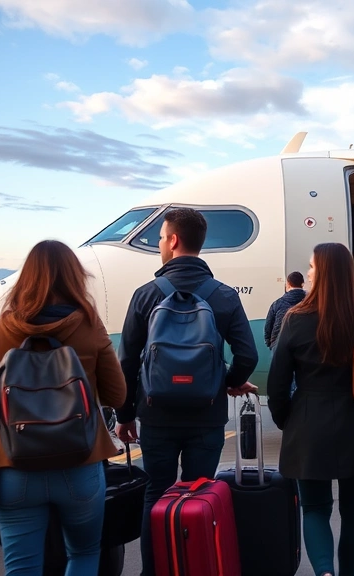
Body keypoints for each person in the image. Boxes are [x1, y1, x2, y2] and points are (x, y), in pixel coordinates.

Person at [0, 239, 127, 575]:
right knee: (83, 554)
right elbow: (117, 395)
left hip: (15, 465)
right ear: (74, 277)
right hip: (80, 464)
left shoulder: (0, 329)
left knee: (21, 566)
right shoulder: (89, 325)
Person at [115, 207, 259, 576]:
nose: (161, 244)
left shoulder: (146, 295)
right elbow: (247, 354)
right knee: (199, 496)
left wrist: (125, 415)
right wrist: (226, 383)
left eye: (161, 238)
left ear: (174, 241)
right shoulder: (223, 295)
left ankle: (154, 571)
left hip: (156, 415)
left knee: (156, 495)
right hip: (206, 416)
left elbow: (127, 362)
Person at [267, 243, 354, 576]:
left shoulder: (295, 319)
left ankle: (324, 573)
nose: (310, 272)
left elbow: (277, 385)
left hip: (308, 425)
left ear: (325, 272)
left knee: (314, 510)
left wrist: (288, 422)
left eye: (313, 267)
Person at [264, 271, 307, 350]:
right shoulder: (311, 303)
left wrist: (270, 343)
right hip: (304, 346)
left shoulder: (277, 303)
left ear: (288, 284)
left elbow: (268, 325)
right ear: (302, 284)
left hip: (278, 344)